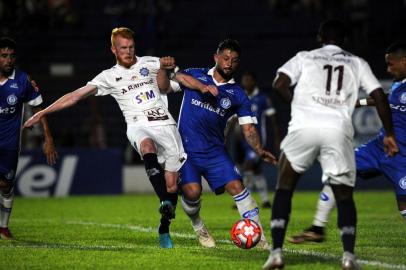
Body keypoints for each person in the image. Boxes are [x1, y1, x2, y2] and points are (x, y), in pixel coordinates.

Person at [23, 27, 217, 248]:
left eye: (131, 47)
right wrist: (43, 112)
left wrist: (203, 86)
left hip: (166, 127)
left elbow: (181, 78)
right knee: (146, 147)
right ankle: (163, 200)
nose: (128, 51)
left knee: (172, 186)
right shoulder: (108, 76)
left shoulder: (152, 63)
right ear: (113, 49)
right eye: (123, 48)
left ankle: (164, 226)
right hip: (137, 125)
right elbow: (75, 96)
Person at [262, 20, 398, 270]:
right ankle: (348, 257)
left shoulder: (305, 57)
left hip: (303, 127)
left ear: (319, 38)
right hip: (337, 129)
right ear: (345, 41)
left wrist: (298, 106)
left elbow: (279, 83)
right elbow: (379, 96)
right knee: (344, 195)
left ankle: (277, 253)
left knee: (284, 187)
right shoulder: (357, 62)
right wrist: (388, 133)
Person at [288, 41, 406, 245]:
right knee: (337, 172)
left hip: (402, 155)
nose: (388, 69)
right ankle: (317, 228)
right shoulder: (398, 85)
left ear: (404, 61)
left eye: (391, 64)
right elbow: (385, 99)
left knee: (403, 204)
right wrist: (355, 103)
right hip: (378, 148)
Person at [168, 39, 278, 249]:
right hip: (186, 150)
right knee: (192, 192)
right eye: (225, 58)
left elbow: (249, 128)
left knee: (237, 186)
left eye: (234, 61)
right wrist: (168, 72)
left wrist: (259, 149)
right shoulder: (195, 74)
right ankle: (198, 225)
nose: (229, 63)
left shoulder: (238, 94)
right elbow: (166, 86)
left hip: (214, 152)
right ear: (216, 58)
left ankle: (260, 237)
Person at [0, 37, 58, 239]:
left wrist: (48, 138)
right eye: (4, 56)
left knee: (5, 185)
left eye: (11, 56)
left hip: (9, 145)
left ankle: (3, 226)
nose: (9, 60)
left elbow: (39, 109)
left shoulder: (23, 80)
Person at [239, 71, 280, 208]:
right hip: (244, 139)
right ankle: (265, 200)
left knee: (248, 165)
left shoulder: (262, 98)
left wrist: (276, 138)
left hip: (257, 138)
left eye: (249, 80)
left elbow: (273, 120)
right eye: (244, 80)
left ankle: (245, 199)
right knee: (256, 170)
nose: (246, 83)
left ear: (254, 82)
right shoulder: (240, 96)